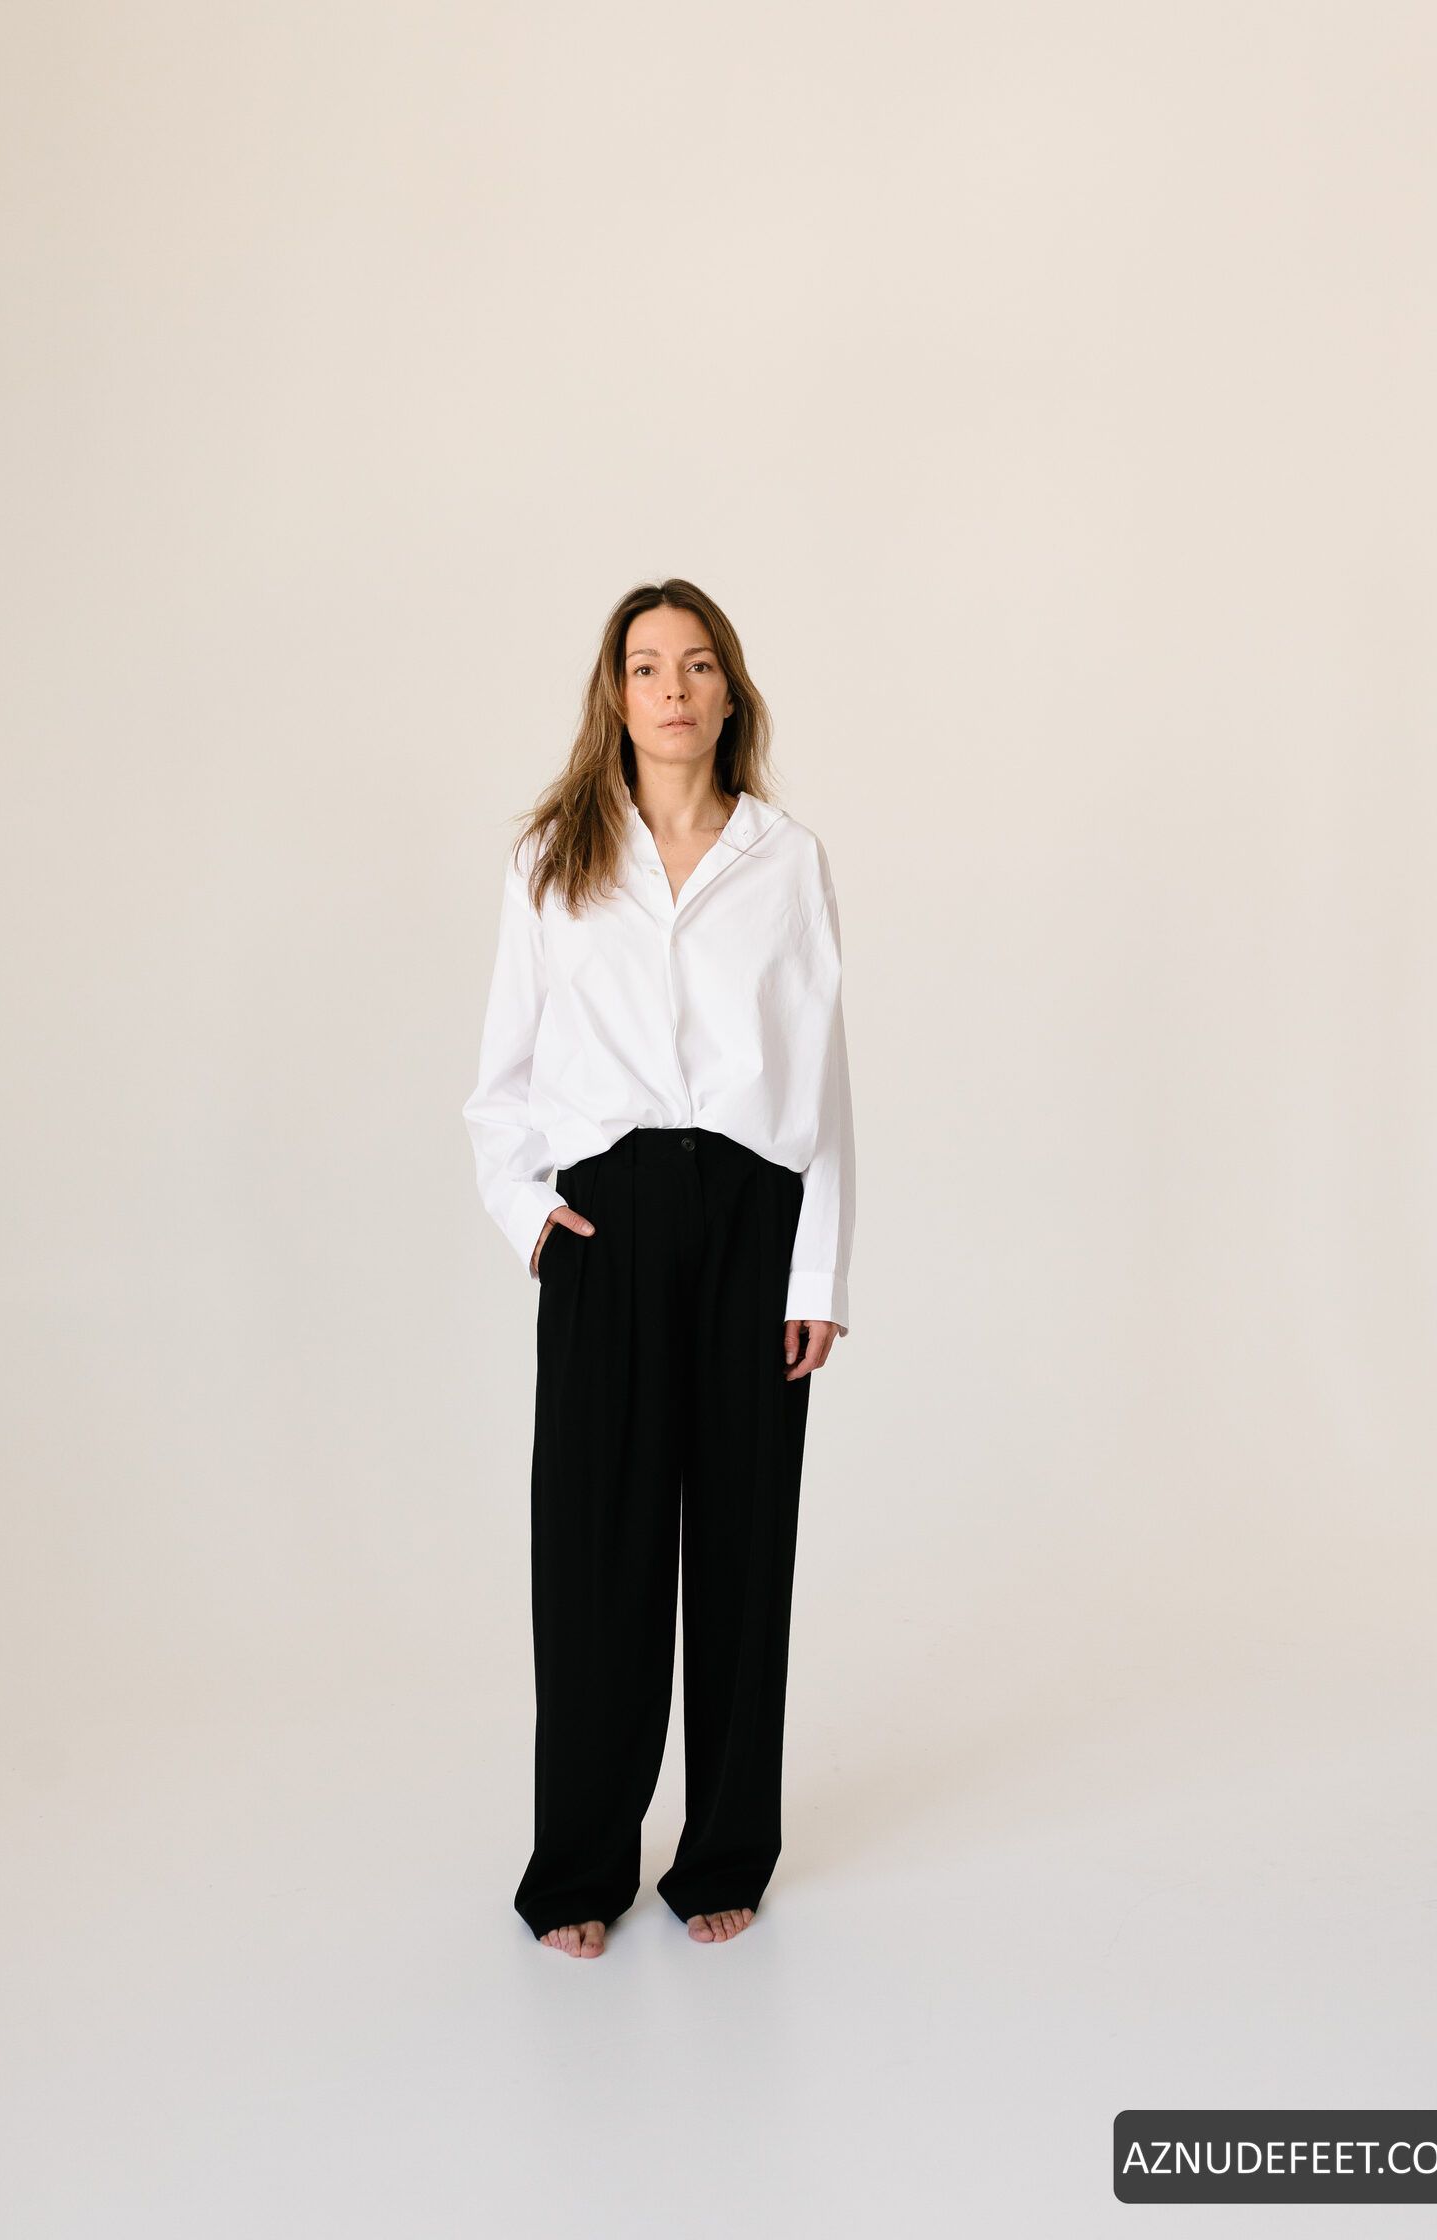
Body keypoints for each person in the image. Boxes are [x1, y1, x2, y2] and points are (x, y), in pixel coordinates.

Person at [461, 577, 855, 1958]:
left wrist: (817, 1275)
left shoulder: (785, 861)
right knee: (597, 1550)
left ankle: (725, 1851)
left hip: (753, 1215)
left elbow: (824, 1081)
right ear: (614, 695)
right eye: (645, 667)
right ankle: (579, 1865)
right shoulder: (554, 858)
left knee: (744, 1546)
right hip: (609, 1226)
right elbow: (499, 1082)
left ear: (729, 691)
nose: (672, 690)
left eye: (696, 665)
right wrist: (531, 1216)